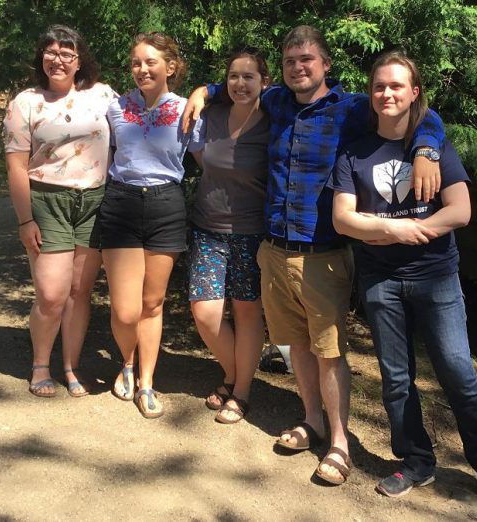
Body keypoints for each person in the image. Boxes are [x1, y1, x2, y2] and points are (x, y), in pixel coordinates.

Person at [182, 26, 444, 485]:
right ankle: (312, 421)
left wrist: (426, 149)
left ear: (325, 65)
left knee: (329, 352)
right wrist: (203, 90)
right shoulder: (277, 101)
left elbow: (415, 112)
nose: (298, 67)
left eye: (307, 59)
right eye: (289, 61)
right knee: (297, 347)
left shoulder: (352, 109)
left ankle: (340, 444)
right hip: (273, 250)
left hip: (322, 254)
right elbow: (234, 84)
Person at [331, 50, 477, 503]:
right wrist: (393, 228)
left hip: (436, 276)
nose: (386, 93)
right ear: (370, 94)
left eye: (396, 86)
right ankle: (416, 462)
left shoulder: (433, 145)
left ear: (414, 93)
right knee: (395, 378)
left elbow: (461, 210)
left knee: (457, 370)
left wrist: (413, 233)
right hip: (378, 281)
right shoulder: (354, 151)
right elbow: (342, 220)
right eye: (378, 86)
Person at [3, 25, 115, 398]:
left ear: (79, 60)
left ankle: (70, 366)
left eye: (67, 52)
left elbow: (144, 113)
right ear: (42, 58)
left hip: (94, 201)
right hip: (47, 201)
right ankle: (40, 364)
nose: (58, 59)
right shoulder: (26, 102)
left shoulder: (102, 95)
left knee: (79, 291)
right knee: (51, 293)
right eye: (51, 52)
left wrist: (205, 93)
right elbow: (17, 166)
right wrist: (25, 219)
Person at [101, 32, 202, 418]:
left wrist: (205, 91)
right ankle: (125, 362)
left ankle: (145, 381)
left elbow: (207, 159)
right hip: (122, 203)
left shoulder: (186, 110)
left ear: (170, 67)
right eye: (136, 63)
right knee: (126, 310)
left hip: (166, 204)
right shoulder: (114, 107)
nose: (142, 69)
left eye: (150, 62)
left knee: (152, 302)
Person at [188, 48, 270, 424]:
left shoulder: (273, 121)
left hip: (252, 234)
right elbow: (202, 159)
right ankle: (236, 373)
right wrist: (202, 91)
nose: (240, 83)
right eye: (234, 76)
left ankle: (241, 392)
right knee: (205, 313)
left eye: (249, 76)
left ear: (264, 82)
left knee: (247, 313)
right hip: (208, 228)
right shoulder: (212, 115)